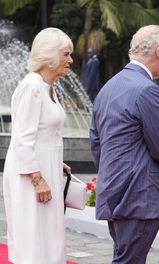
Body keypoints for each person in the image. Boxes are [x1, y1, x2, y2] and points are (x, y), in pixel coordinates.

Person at [90, 25, 159, 264]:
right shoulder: (148, 90)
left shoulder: (108, 87)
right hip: (138, 198)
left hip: (114, 194)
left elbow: (96, 143)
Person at [2, 27, 73, 264]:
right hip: (30, 175)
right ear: (50, 55)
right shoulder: (31, 86)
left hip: (44, 169)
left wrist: (55, 161)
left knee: (48, 234)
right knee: (33, 238)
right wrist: (37, 178)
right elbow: (22, 137)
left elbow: (45, 132)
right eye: (66, 54)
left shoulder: (47, 87)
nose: (70, 60)